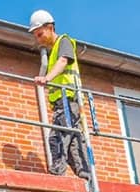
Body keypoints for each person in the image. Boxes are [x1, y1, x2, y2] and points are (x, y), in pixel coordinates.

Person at [30, 9, 90, 179]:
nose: (38, 38)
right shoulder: (53, 52)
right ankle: (86, 175)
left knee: (57, 137)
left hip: (68, 101)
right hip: (65, 103)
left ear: (50, 27)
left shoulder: (64, 42)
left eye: (40, 34)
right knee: (74, 143)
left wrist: (46, 78)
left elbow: (64, 61)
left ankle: (57, 174)